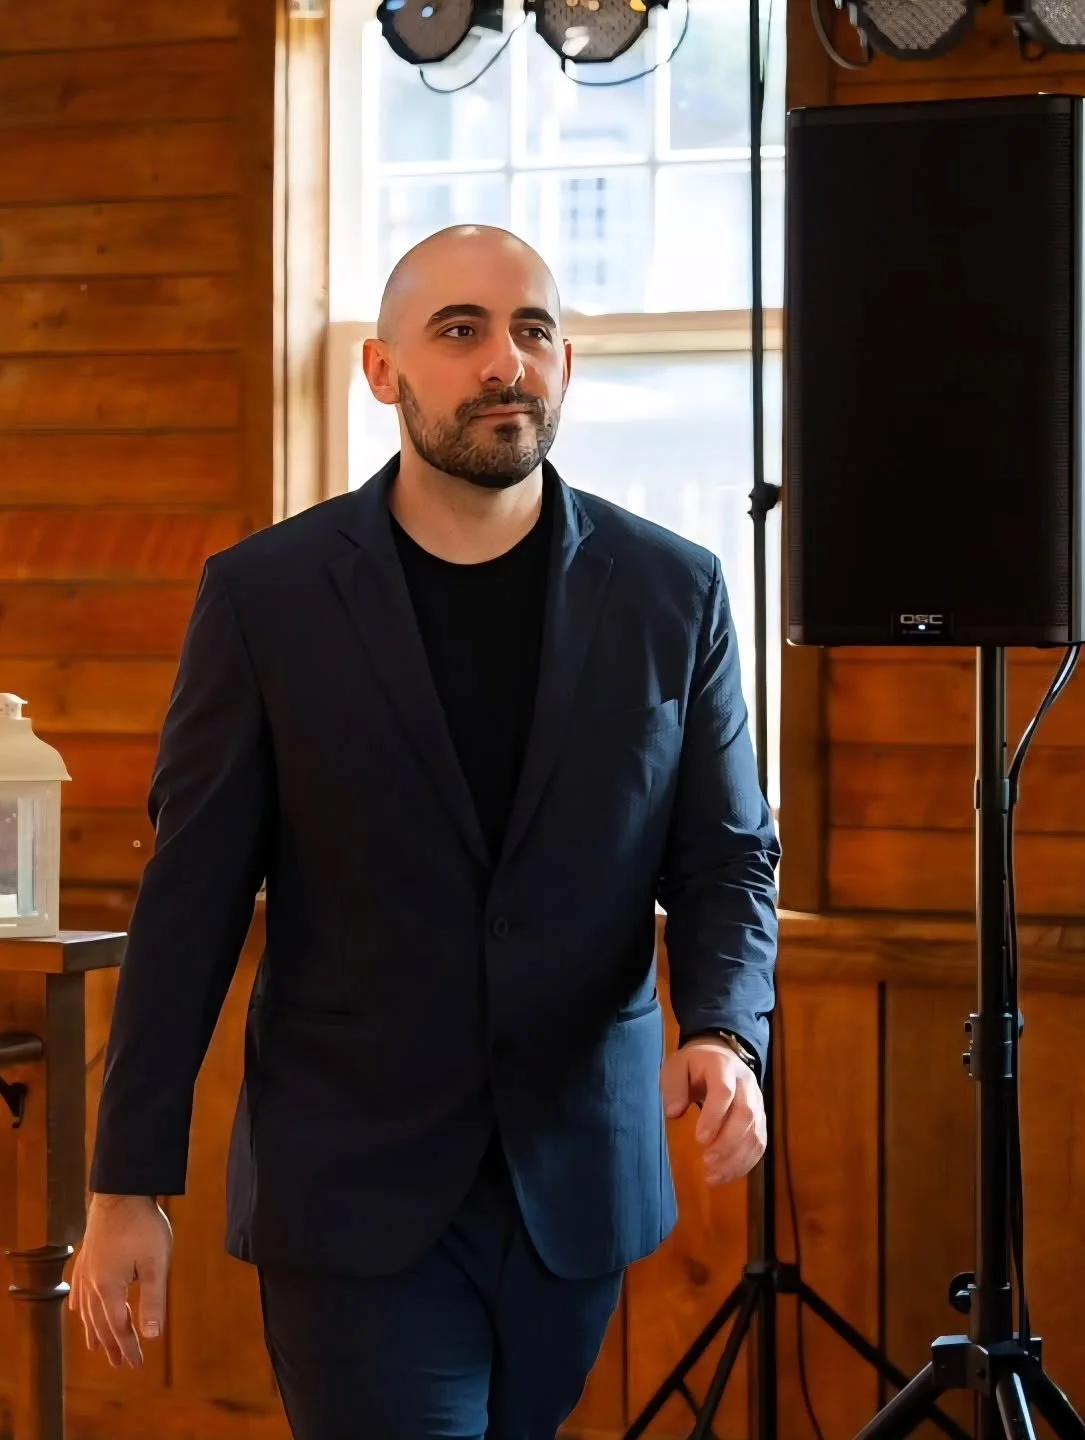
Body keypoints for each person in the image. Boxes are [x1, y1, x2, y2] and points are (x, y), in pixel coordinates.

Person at [69, 224, 780, 1439]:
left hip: (577, 1180)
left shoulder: (678, 591)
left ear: (566, 366)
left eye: (534, 331)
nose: (506, 362)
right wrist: (125, 1185)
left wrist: (727, 1031)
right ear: (382, 370)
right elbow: (186, 904)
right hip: (351, 1186)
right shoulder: (266, 600)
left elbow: (725, 856)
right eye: (461, 331)